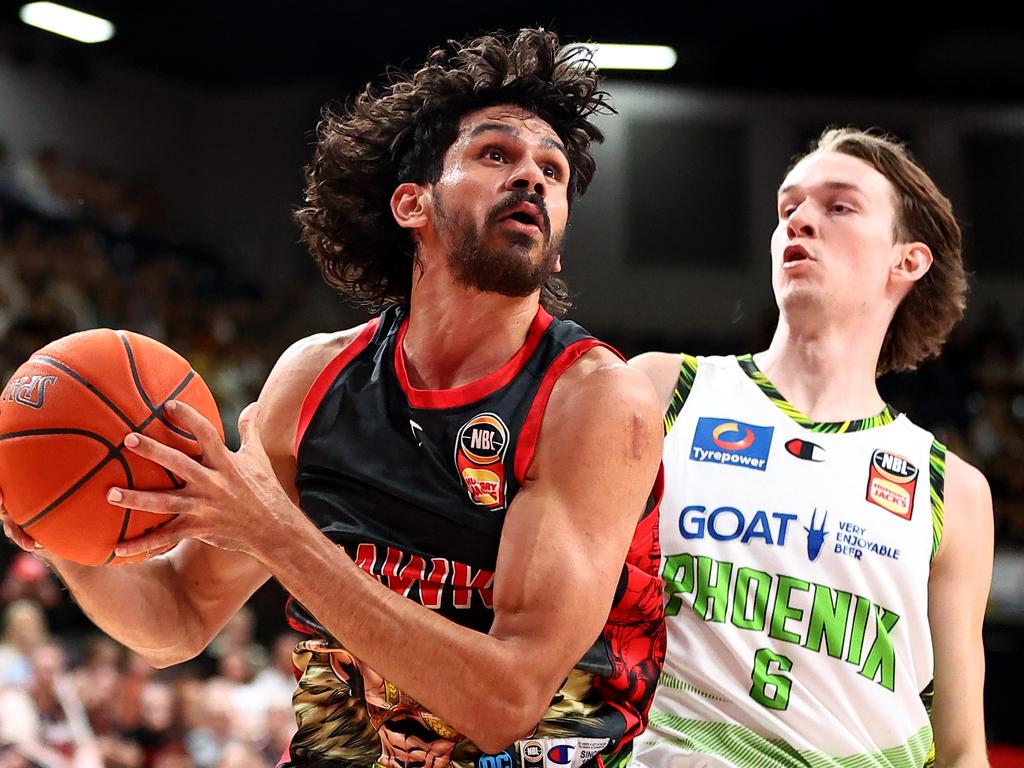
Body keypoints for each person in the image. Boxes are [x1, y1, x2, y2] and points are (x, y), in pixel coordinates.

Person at [1, 28, 667, 768]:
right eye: (496, 154)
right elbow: (178, 618)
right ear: (412, 204)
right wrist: (61, 528)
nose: (534, 178)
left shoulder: (597, 402)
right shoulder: (312, 381)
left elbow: (507, 701)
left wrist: (276, 533)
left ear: (558, 237)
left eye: (553, 170)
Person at [629, 128, 992, 768]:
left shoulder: (950, 489)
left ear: (907, 260)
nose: (800, 221)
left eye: (838, 205)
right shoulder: (663, 391)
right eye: (787, 207)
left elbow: (961, 749)